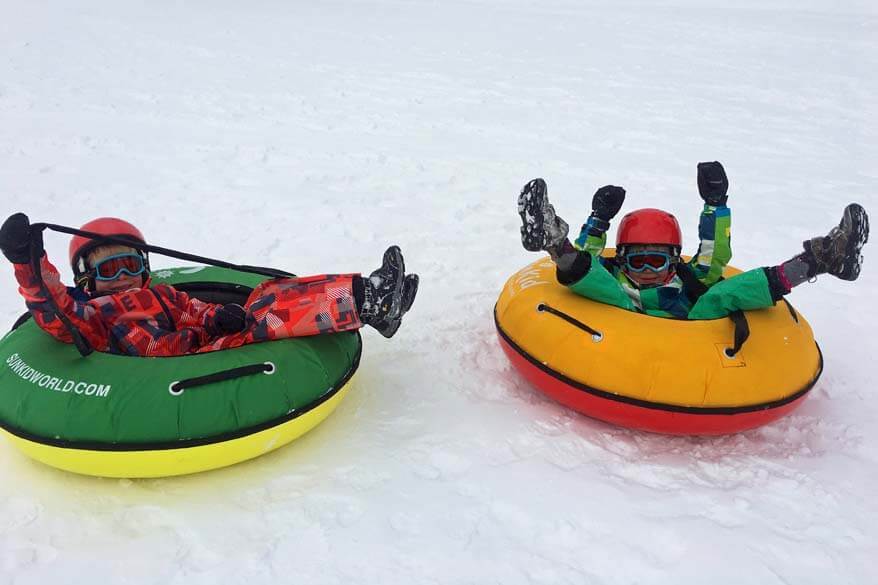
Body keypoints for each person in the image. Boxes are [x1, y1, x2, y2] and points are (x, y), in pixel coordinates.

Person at [0, 214, 419, 356]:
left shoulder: (162, 294)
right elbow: (55, 311)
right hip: (177, 363)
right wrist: (28, 261)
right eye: (109, 270)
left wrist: (217, 315)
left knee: (266, 296)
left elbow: (191, 308)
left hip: (206, 341)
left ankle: (370, 296)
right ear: (88, 281)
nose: (123, 277)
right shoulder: (93, 315)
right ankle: (371, 302)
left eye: (129, 263)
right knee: (269, 319)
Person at [517, 161, 869, 319]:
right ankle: (552, 238)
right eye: (638, 261)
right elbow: (591, 258)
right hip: (619, 319)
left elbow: (714, 256)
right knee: (602, 284)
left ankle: (822, 259)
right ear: (622, 259)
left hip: (692, 332)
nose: (648, 270)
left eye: (657, 261)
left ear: (674, 260)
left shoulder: (686, 279)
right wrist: (598, 220)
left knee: (721, 294)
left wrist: (716, 206)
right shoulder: (614, 277)